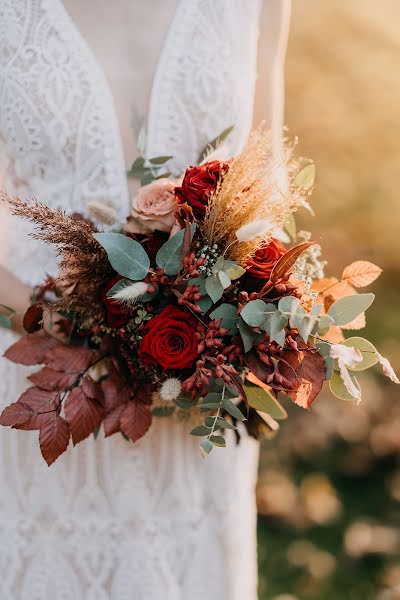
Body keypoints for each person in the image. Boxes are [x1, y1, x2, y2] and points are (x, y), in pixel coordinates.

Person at [0, 1, 291, 598]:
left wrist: (249, 310)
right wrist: (65, 320)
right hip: (46, 370)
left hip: (197, 394)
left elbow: (267, 179)